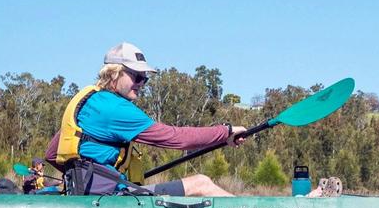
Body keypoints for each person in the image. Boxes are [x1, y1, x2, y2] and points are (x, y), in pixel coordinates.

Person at [45, 42, 248, 197]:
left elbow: (53, 154)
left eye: (145, 78)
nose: (142, 83)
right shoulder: (115, 108)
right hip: (108, 198)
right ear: (114, 74)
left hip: (87, 195)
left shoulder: (89, 103)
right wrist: (225, 131)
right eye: (137, 76)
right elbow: (175, 138)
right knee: (201, 183)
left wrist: (85, 178)